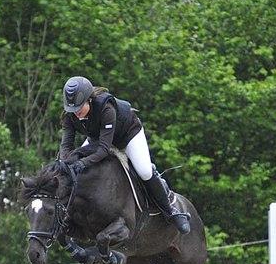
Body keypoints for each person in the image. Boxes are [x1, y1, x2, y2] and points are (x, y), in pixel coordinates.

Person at [58, 76, 190, 234]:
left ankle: (171, 211)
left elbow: (104, 149)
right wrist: (65, 164)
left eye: (79, 108)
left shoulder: (106, 108)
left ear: (89, 100)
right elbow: (66, 146)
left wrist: (83, 163)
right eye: (73, 110)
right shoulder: (69, 115)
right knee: (74, 169)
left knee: (144, 171)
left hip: (127, 135)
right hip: (98, 139)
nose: (76, 114)